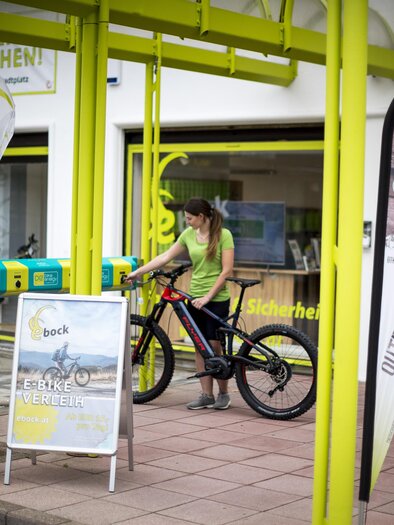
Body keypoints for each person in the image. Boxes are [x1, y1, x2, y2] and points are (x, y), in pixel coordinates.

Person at [125, 197, 234, 410]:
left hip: (216, 298)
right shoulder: (188, 235)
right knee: (199, 345)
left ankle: (223, 393)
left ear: (202, 217)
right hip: (195, 296)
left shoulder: (224, 235)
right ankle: (206, 395)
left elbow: (227, 270)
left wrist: (208, 298)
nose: (187, 222)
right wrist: (139, 272)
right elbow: (166, 256)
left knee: (214, 346)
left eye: (190, 218)